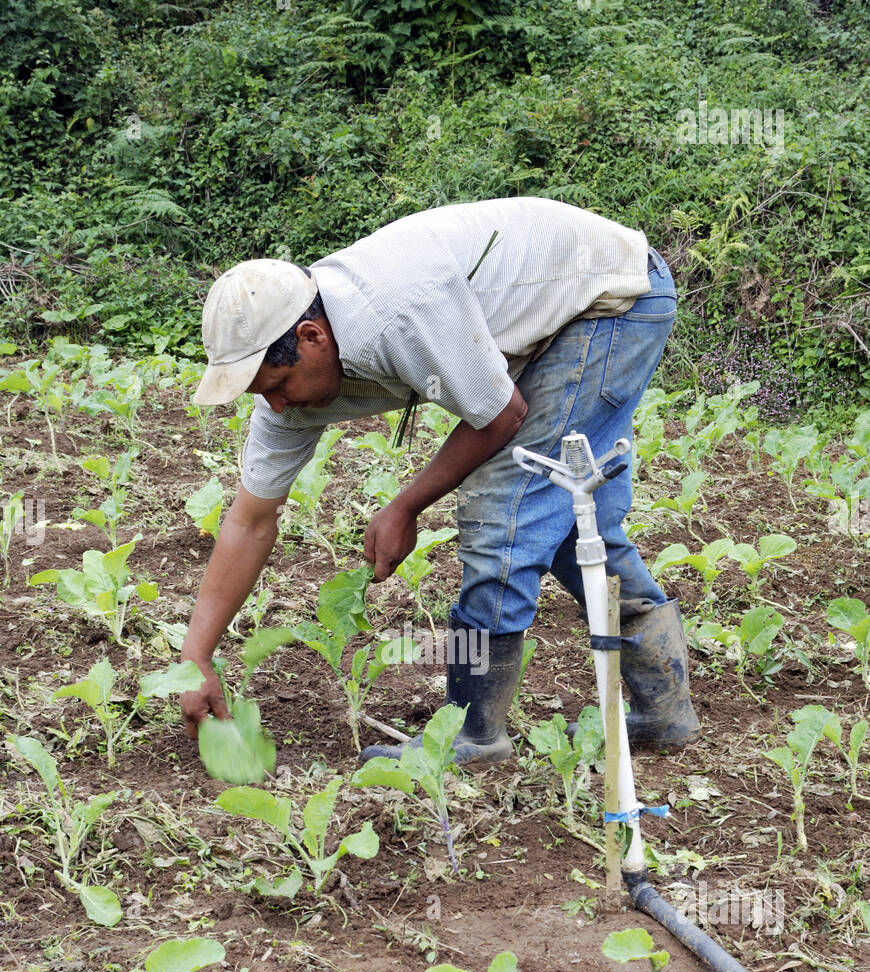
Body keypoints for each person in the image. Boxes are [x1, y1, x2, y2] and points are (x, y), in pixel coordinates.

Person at [179, 196, 700, 762]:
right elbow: (251, 520)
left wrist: (404, 507)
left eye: (276, 385)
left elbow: (501, 414)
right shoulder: (287, 390)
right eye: (261, 395)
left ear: (311, 337)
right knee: (568, 517)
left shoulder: (399, 312)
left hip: (608, 298)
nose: (276, 408)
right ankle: (662, 707)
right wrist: (195, 658)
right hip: (552, 317)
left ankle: (475, 736)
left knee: (504, 513)